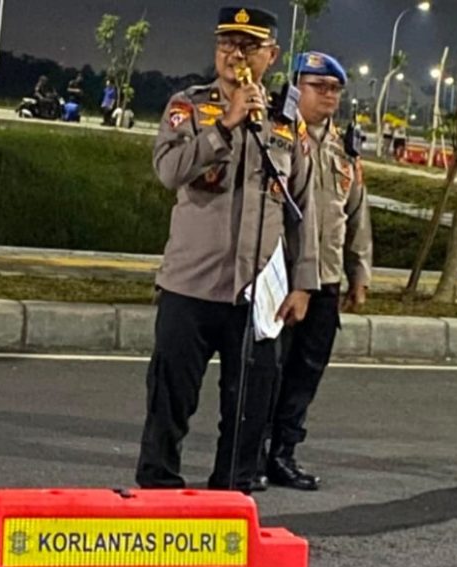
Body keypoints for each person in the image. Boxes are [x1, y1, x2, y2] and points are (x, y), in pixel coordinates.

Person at [135, 6, 320, 494]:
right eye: (226, 43)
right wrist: (225, 127)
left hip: (257, 294)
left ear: (271, 56)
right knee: (170, 400)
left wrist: (304, 283)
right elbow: (169, 171)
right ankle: (159, 493)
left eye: (248, 46)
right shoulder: (189, 107)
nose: (235, 54)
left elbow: (304, 208)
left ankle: (231, 496)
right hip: (190, 285)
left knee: (248, 410)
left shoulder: (287, 121)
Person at [257, 51, 373, 491]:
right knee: (268, 370)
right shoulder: (278, 135)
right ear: (296, 87)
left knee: (306, 372)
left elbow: (356, 214)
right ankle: (253, 452)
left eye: (335, 89)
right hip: (280, 277)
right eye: (318, 86)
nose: (328, 95)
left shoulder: (345, 149)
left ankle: (283, 453)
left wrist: (359, 273)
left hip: (326, 278)